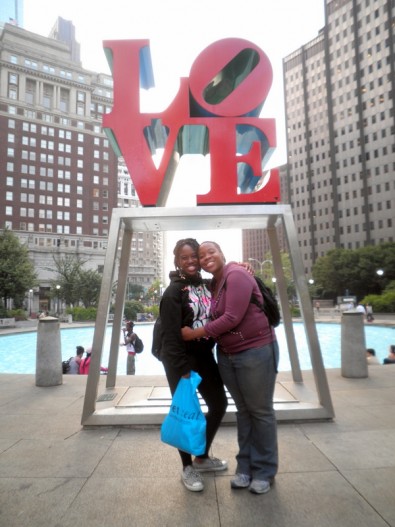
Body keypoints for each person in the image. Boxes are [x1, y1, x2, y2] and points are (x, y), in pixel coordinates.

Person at [182, 241, 279, 495]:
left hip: (255, 351)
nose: (206, 257)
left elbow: (231, 318)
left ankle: (265, 471)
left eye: (211, 252)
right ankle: (245, 468)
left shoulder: (236, 274)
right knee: (244, 411)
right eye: (202, 256)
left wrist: (193, 335)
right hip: (228, 355)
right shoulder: (214, 283)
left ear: (223, 254)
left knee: (260, 412)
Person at [160, 238, 228, 493]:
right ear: (177, 261)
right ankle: (187, 467)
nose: (190, 261)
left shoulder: (207, 285)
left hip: (203, 355)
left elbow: (226, 283)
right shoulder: (172, 293)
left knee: (219, 404)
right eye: (184, 257)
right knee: (187, 412)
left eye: (193, 257)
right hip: (180, 359)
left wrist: (242, 267)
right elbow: (170, 336)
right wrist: (182, 370)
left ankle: (201, 457)